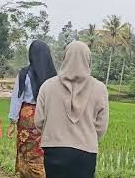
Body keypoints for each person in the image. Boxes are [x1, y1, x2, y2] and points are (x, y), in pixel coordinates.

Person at [35, 41, 109, 178]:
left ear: (65, 58)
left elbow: (39, 121)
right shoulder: (100, 88)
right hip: (86, 152)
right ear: (89, 60)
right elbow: (101, 127)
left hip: (54, 150)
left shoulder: (47, 86)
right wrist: (87, 137)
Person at [7, 40, 57, 178]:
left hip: (27, 117)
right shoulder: (53, 76)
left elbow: (17, 98)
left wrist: (12, 122)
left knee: (25, 150)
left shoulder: (24, 73)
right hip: (47, 116)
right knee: (43, 151)